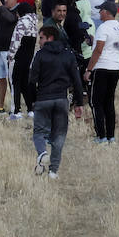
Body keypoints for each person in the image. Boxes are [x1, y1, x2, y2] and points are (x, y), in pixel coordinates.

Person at [29, 23, 84, 179]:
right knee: (59, 136)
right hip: (61, 99)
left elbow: (32, 81)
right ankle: (53, 171)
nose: (39, 41)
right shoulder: (68, 54)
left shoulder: (40, 55)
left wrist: (32, 101)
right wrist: (79, 103)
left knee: (39, 133)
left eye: (41, 38)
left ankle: (42, 153)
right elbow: (77, 81)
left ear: (49, 38)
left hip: (43, 99)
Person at [85, 0, 119, 143]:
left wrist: (89, 69)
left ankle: (101, 136)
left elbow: (99, 49)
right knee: (109, 102)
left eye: (101, 10)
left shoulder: (103, 27)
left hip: (102, 67)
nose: (99, 12)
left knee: (96, 102)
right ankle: (111, 136)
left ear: (106, 12)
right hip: (116, 67)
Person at [7, 0, 40, 119]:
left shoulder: (21, 23)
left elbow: (15, 42)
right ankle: (30, 110)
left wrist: (10, 56)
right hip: (28, 58)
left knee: (15, 83)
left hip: (18, 58)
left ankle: (16, 111)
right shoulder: (34, 24)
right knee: (25, 84)